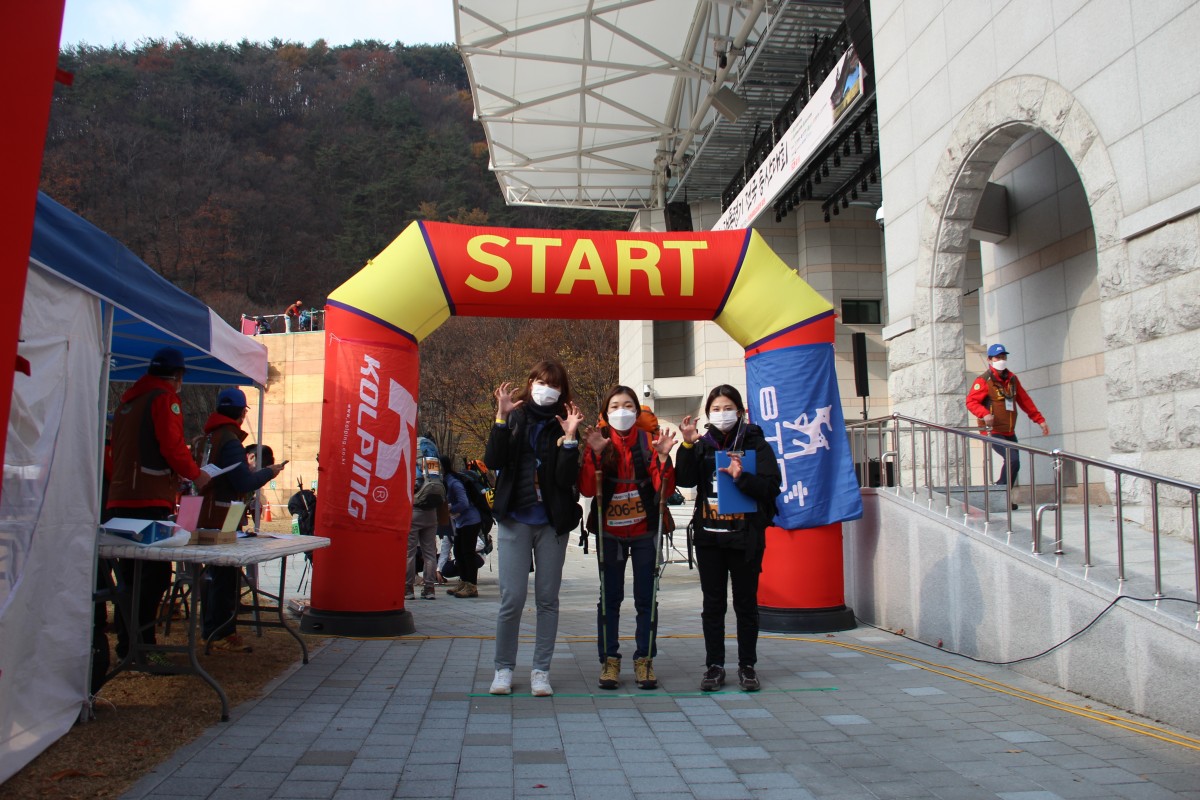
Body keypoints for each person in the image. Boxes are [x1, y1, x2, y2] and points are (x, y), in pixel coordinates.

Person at [484, 360, 583, 696]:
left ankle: (541, 671)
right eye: (541, 382)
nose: (546, 389)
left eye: (553, 384)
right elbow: (494, 460)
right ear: (530, 383)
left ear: (562, 390)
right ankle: (503, 669)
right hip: (515, 518)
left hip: (552, 523)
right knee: (511, 598)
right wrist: (500, 418)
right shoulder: (515, 415)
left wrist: (570, 439)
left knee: (547, 599)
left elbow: (567, 480)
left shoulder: (565, 421)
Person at [106, 347, 211, 663]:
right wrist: (196, 474)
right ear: (178, 376)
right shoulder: (164, 400)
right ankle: (143, 645)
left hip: (121, 497)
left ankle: (128, 644)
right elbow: (172, 446)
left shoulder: (127, 403)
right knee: (154, 575)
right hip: (149, 497)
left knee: (130, 576)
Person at [675, 385, 781, 693]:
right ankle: (715, 666)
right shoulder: (703, 444)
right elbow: (684, 480)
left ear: (740, 411)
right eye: (716, 410)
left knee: (745, 604)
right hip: (710, 538)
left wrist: (741, 477)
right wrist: (687, 445)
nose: (722, 414)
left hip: (744, 538)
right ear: (708, 414)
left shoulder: (756, 443)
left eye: (727, 408)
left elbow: (771, 487)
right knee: (713, 605)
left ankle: (747, 665)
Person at [580, 387, 676, 691]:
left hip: (645, 529)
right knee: (610, 597)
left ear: (637, 411)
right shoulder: (598, 440)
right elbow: (586, 488)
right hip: (610, 531)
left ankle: (644, 659)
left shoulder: (649, 441)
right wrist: (595, 455)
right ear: (605, 412)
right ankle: (609, 660)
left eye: (628, 405)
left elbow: (664, 489)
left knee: (646, 597)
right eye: (615, 406)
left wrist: (664, 458)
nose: (622, 411)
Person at [196, 388, 286, 651]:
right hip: (223, 515)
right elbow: (243, 482)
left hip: (202, 512)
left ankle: (210, 629)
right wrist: (269, 472)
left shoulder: (205, 438)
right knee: (225, 577)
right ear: (241, 413)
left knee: (213, 574)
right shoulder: (230, 441)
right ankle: (221, 633)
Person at [966, 344, 1050, 492]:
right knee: (1012, 459)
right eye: (997, 357)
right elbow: (971, 402)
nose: (1001, 360)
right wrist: (984, 413)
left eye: (1003, 357)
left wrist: (1039, 420)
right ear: (990, 359)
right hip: (992, 431)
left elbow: (1025, 401)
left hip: (1009, 431)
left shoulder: (1012, 379)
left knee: (1015, 464)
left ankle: (1003, 494)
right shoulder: (984, 380)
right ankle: (1000, 492)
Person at [406, 436, 443, 600]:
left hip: (414, 510)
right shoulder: (432, 460)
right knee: (430, 553)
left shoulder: (413, 455)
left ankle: (408, 589)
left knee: (409, 553)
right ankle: (429, 589)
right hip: (432, 511)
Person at [444, 459, 484, 598]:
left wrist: (450, 509)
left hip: (471, 520)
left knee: (468, 553)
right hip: (461, 522)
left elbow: (464, 503)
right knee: (458, 551)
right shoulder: (447, 481)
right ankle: (464, 581)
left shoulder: (454, 483)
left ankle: (471, 586)